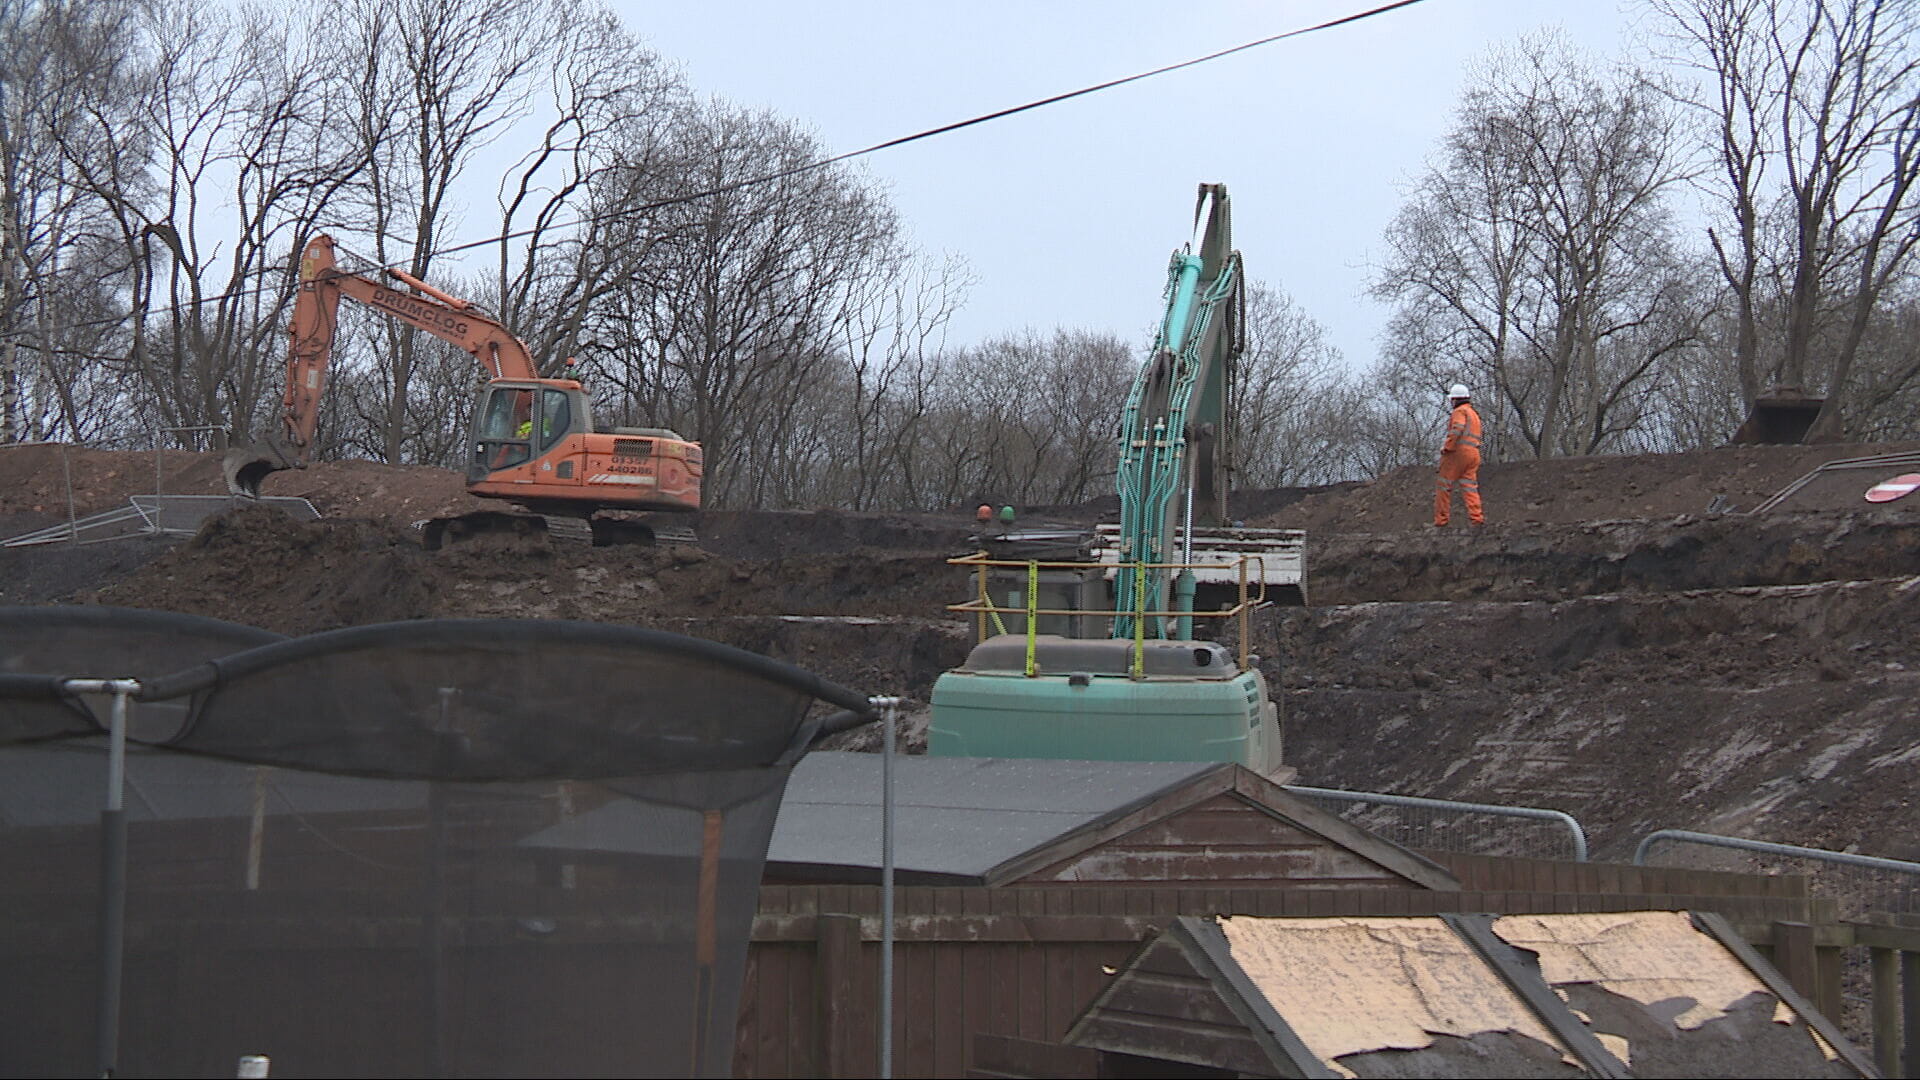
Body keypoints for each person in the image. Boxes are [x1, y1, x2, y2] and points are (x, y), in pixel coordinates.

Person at [1434, 383, 1485, 527]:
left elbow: (1457, 428)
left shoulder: (1459, 412)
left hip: (1458, 453)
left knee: (1444, 485)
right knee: (1470, 486)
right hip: (1474, 453)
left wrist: (1447, 447)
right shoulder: (1473, 414)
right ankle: (1477, 518)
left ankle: (1441, 520)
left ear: (1455, 399)